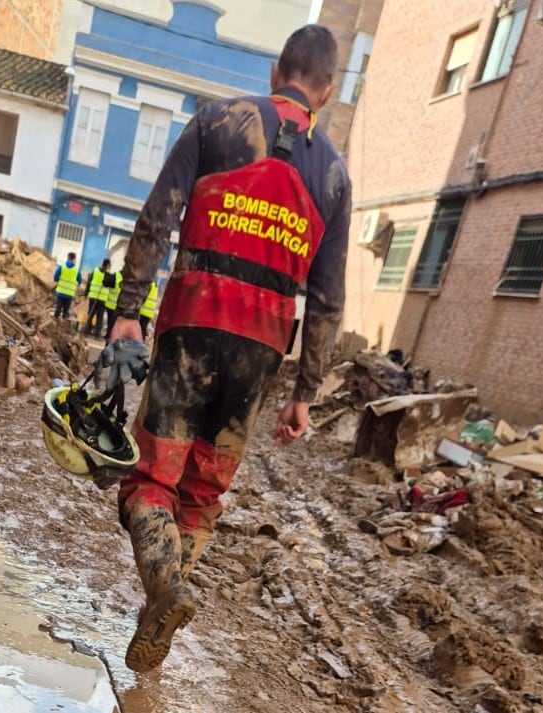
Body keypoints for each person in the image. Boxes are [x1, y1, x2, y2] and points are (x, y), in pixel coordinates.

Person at [105, 25, 351, 673]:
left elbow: (157, 219)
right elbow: (327, 300)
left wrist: (127, 312)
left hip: (191, 327)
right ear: (325, 90)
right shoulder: (333, 177)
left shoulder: (217, 123)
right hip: (260, 352)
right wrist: (305, 393)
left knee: (150, 481)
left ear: (277, 72)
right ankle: (164, 601)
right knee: (201, 495)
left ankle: (167, 586)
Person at [85, 259, 111, 336]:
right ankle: (97, 332)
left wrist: (86, 293)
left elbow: (89, 282)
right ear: (108, 265)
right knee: (100, 316)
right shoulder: (108, 275)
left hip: (93, 296)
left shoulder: (95, 271)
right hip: (102, 299)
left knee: (91, 313)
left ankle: (87, 330)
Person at [53, 252, 81, 320]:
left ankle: (55, 321)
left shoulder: (62, 267)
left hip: (60, 292)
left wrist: (60, 280)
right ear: (74, 259)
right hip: (69, 294)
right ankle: (64, 323)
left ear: (67, 258)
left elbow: (55, 278)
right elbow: (79, 281)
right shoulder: (76, 270)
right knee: (66, 311)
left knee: (58, 309)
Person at [102, 269, 122, 340]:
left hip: (111, 305)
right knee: (115, 325)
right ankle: (112, 337)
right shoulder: (130, 279)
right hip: (121, 308)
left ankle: (109, 336)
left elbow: (105, 282)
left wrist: (107, 275)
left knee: (110, 324)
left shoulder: (116, 276)